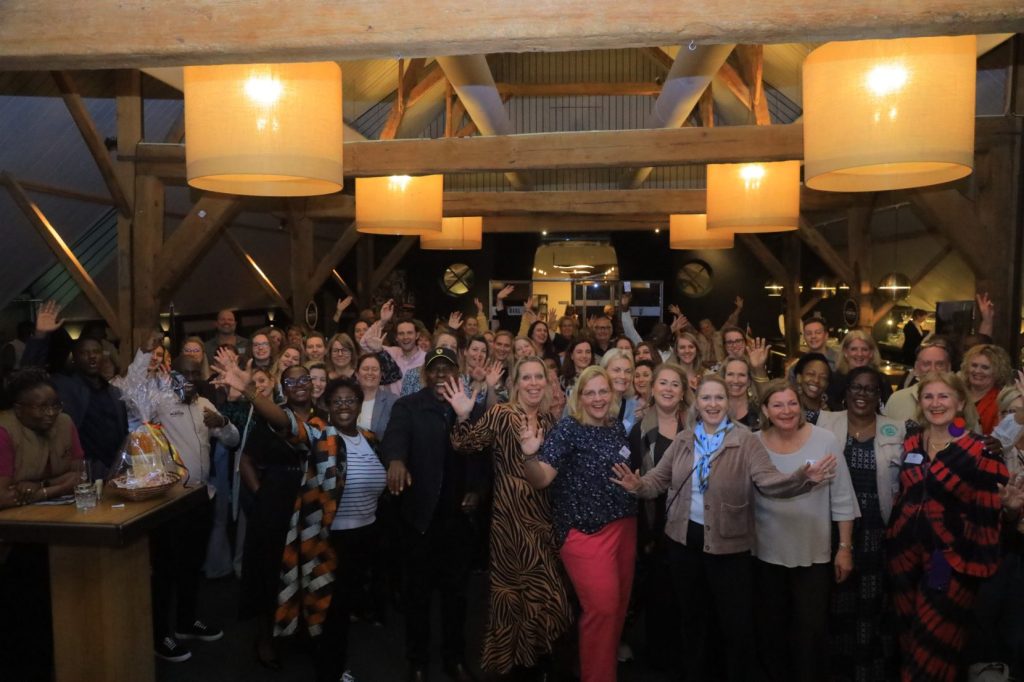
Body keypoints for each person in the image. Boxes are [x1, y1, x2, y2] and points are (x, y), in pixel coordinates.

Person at [613, 374, 836, 682]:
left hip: (729, 549)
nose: (713, 404)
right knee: (693, 621)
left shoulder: (746, 440)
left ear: (728, 403)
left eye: (719, 397)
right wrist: (638, 485)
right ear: (697, 402)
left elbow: (769, 482)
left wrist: (801, 478)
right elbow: (657, 481)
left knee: (735, 627)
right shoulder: (684, 440)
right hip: (683, 545)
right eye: (706, 398)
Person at [445, 358, 573, 677]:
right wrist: (462, 415)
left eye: (538, 377)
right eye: (526, 377)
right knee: (512, 597)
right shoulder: (502, 414)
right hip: (510, 524)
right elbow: (464, 444)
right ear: (515, 383)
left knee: (548, 596)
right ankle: (517, 667)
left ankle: (537, 660)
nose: (533, 383)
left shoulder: (548, 420)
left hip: (543, 520)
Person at [886, 371, 1010, 682]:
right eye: (928, 396)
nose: (936, 403)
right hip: (903, 558)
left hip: (950, 560)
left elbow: (992, 511)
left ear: (960, 402)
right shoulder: (911, 441)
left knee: (934, 644)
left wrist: (1009, 511)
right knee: (908, 637)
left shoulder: (981, 449)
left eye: (944, 396)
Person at [519, 365, 638, 682]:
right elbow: (542, 479)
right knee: (601, 609)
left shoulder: (615, 426)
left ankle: (602, 669)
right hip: (585, 533)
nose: (598, 398)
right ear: (579, 397)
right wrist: (529, 457)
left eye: (603, 391)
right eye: (590, 393)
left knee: (617, 609)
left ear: (611, 394)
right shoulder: (569, 429)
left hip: (624, 527)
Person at [382, 347, 485, 682]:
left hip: (458, 521)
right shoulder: (408, 406)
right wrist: (396, 460)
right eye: (435, 368)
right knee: (418, 596)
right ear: (425, 374)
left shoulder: (471, 408)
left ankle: (455, 659)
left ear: (458, 373)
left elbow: (482, 457)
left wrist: (477, 490)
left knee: (457, 597)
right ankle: (418, 661)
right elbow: (394, 439)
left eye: (447, 368)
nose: (441, 374)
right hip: (419, 519)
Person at [753, 380, 859, 682]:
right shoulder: (753, 442)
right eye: (777, 405)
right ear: (765, 410)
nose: (786, 411)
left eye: (792, 403)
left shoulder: (825, 440)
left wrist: (844, 548)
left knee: (810, 632)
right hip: (765, 554)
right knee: (771, 630)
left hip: (813, 554)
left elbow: (842, 497)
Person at [816, 367, 905, 681]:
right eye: (856, 387)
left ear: (879, 394)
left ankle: (867, 671)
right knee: (833, 604)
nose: (862, 394)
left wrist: (999, 437)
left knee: (872, 606)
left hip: (877, 534)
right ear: (845, 390)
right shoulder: (822, 421)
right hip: (832, 530)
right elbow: (774, 412)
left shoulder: (900, 429)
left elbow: (946, 433)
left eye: (870, 389)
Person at [150, 356, 239, 663]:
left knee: (192, 565)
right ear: (172, 375)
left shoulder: (204, 404)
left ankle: (186, 622)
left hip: (201, 497)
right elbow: (136, 409)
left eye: (193, 374)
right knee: (165, 570)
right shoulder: (160, 403)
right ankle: (160, 635)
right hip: (169, 500)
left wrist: (223, 423)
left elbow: (232, 440)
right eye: (182, 373)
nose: (188, 379)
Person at [0, 369, 86, 681]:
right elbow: (3, 496)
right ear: (18, 408)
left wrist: (41, 488)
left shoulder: (65, 423)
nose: (51, 413)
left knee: (54, 607)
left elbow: (78, 474)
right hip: (12, 540)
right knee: (22, 615)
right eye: (41, 407)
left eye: (55, 405)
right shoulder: (4, 431)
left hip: (55, 528)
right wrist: (58, 486)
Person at [235, 364, 320, 670]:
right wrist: (262, 495)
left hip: (312, 503)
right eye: (291, 381)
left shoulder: (324, 416)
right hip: (275, 502)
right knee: (269, 570)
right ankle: (265, 638)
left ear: (312, 384)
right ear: (283, 388)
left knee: (307, 568)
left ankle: (302, 630)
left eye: (304, 379)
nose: (299, 385)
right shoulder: (271, 417)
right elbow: (246, 462)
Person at [625, 362, 690, 671]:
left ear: (683, 392)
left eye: (675, 384)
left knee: (686, 597)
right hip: (651, 526)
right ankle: (659, 662)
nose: (668, 389)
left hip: (689, 523)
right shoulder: (637, 430)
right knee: (657, 596)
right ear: (652, 389)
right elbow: (634, 481)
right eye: (662, 383)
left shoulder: (696, 428)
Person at [21, 300, 127, 478]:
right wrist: (40, 336)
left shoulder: (114, 392)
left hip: (116, 472)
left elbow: (122, 434)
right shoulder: (64, 385)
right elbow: (28, 377)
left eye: (96, 352)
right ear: (74, 358)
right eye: (85, 353)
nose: (92, 357)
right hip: (81, 472)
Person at [361, 300, 426, 397]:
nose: (405, 337)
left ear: (417, 335)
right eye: (401, 333)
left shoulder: (426, 359)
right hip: (390, 405)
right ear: (396, 337)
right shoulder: (391, 353)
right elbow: (364, 343)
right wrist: (382, 321)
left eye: (409, 333)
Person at [883, 340, 954, 422]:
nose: (933, 370)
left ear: (949, 368)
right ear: (916, 368)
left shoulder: (960, 399)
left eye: (940, 364)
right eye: (926, 364)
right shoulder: (897, 399)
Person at [826, 330, 890, 410]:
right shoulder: (834, 381)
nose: (859, 354)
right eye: (854, 349)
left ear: (871, 353)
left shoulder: (882, 381)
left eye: (864, 349)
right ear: (845, 352)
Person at [960, 343, 1013, 435]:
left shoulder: (1001, 402)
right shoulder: (956, 392)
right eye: (974, 365)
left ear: (998, 371)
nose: (977, 371)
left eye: (985, 367)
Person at [355, 353, 397, 438]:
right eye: (365, 369)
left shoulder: (393, 401)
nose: (370, 373)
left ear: (381, 375)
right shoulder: (348, 400)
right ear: (357, 374)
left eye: (374, 369)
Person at [793, 352, 831, 424]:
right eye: (811, 374)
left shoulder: (832, 413)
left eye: (823, 377)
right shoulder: (788, 410)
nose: (816, 380)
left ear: (827, 384)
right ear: (799, 378)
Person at [724, 356, 760, 429]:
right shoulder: (714, 409)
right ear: (723, 378)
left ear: (749, 381)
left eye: (742, 375)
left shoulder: (759, 411)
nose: (735, 380)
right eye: (730, 374)